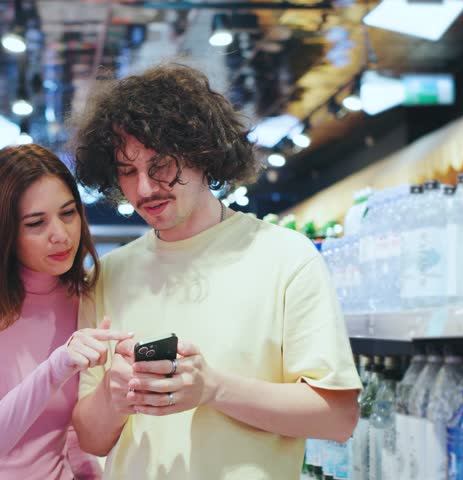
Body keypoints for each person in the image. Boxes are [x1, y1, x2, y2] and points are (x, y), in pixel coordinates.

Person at [70, 64, 362, 480]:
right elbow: (91, 438)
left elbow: (338, 417)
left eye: (161, 165)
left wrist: (213, 388)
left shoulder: (285, 256)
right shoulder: (108, 274)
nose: (145, 189)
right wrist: (112, 396)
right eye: (127, 172)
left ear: (203, 154)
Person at [0, 144, 130, 479]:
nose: (61, 235)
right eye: (36, 223)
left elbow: (65, 430)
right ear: (2, 233)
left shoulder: (83, 295)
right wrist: (54, 369)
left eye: (68, 213)